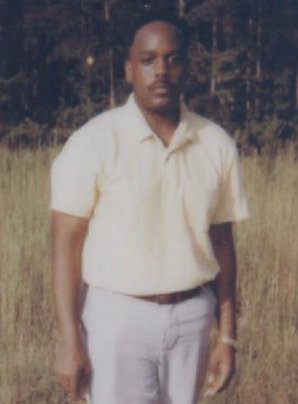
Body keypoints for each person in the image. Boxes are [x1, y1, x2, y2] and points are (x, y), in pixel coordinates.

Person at [50, 12, 250, 404]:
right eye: (148, 60)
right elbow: (64, 247)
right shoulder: (93, 142)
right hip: (118, 319)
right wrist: (69, 339)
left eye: (173, 59)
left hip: (193, 318)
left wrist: (227, 337)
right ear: (129, 69)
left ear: (188, 68)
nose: (161, 71)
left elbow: (224, 246)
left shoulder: (216, 144)